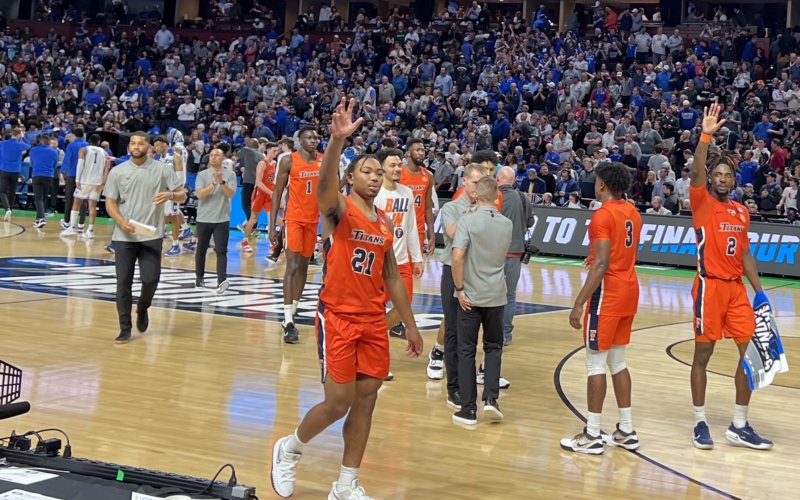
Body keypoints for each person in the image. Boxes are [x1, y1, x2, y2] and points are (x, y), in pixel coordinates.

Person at [270, 98, 422, 499]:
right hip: (337, 315)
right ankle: (290, 448)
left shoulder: (385, 221)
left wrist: (409, 323)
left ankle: (346, 483)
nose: (374, 178)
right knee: (337, 402)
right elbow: (322, 185)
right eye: (366, 171)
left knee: (367, 400)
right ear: (351, 177)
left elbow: (391, 274)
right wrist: (336, 141)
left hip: (373, 319)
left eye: (378, 172)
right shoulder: (336, 210)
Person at [688, 103, 772, 450]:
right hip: (709, 288)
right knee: (703, 356)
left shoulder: (740, 211)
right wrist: (705, 135)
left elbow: (746, 254)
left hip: (736, 291)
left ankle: (739, 424)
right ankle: (699, 422)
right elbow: (696, 171)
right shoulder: (702, 202)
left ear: (734, 180)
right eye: (717, 175)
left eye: (727, 175)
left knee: (750, 354)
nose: (722, 179)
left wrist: (760, 291)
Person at [562, 162, 642, 454]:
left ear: (602, 185)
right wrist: (595, 256)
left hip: (607, 294)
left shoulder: (601, 215)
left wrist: (579, 302)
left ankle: (592, 434)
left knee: (595, 364)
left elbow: (602, 264)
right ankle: (626, 430)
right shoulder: (632, 211)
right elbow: (621, 249)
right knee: (618, 362)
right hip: (630, 289)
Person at [103, 131, 186, 344]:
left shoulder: (162, 170)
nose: (136, 146)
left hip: (151, 234)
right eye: (133, 143)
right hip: (124, 235)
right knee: (123, 283)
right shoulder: (118, 172)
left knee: (150, 279)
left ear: (148, 147)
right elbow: (110, 203)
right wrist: (121, 222)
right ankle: (124, 327)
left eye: (140, 143)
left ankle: (142, 307)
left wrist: (169, 194)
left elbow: (182, 194)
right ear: (129, 146)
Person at [451, 176, 512, 425]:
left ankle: (468, 409)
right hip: (496, 294)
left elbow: (457, 258)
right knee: (493, 347)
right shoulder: (506, 224)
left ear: (477, 196)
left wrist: (459, 289)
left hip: (471, 296)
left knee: (466, 350)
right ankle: (491, 399)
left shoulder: (467, 221)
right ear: (497, 197)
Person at [374, 147, 424, 379]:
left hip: (402, 261)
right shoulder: (376, 194)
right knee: (373, 309)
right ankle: (376, 358)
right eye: (392, 165)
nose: (397, 169)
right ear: (381, 168)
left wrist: (418, 257)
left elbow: (411, 226)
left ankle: (374, 335)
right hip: (378, 262)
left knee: (406, 303)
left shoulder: (406, 192)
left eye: (399, 165)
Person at [269, 126, 322, 344]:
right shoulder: (288, 160)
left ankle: (294, 309)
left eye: (316, 137)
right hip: (294, 219)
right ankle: (288, 319)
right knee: (291, 266)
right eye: (308, 137)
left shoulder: (323, 160)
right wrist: (272, 225)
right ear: (299, 141)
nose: (313, 140)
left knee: (303, 267)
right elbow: (277, 192)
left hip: (313, 220)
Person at [496, 166, 534, 345]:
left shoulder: (493, 197)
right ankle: (505, 334)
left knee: (488, 294)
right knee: (509, 295)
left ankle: (490, 331)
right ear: (513, 181)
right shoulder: (522, 197)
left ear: (498, 179)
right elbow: (530, 221)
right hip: (515, 252)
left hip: (493, 253)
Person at [194, 147, 236, 294]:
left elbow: (231, 194)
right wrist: (213, 184)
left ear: (223, 158)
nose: (213, 157)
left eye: (216, 155)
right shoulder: (202, 175)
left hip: (222, 219)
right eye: (211, 155)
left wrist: (222, 183)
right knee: (201, 249)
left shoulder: (230, 175)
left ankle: (221, 281)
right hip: (204, 218)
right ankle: (199, 278)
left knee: (221, 250)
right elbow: (199, 195)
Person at [60, 133, 109, 239]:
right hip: (97, 182)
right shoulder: (104, 152)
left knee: (76, 203)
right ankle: (90, 230)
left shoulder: (84, 149)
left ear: (89, 140)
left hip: (85, 181)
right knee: (92, 206)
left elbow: (80, 165)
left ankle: (72, 227)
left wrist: (77, 179)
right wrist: (103, 183)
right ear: (99, 142)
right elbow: (106, 170)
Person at [153, 135, 192, 256]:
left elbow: (180, 175)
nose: (156, 148)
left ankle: (175, 245)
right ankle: (184, 230)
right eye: (155, 146)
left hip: (173, 191)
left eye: (158, 145)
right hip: (162, 191)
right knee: (164, 216)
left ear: (165, 144)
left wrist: (174, 190)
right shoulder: (159, 158)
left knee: (174, 217)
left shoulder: (176, 156)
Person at [242, 142, 279, 253]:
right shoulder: (262, 163)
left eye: (277, 151)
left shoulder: (275, 163)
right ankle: (245, 241)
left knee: (272, 220)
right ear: (268, 150)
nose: (276, 153)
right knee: (253, 219)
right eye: (274, 150)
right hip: (260, 193)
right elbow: (258, 182)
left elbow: (272, 180)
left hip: (269, 193)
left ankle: (272, 244)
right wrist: (270, 192)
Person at [59, 128, 88, 230]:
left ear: (74, 135)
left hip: (72, 174)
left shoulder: (71, 145)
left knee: (69, 199)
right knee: (83, 200)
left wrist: (62, 172)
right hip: (85, 175)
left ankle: (67, 221)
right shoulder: (88, 145)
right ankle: (81, 224)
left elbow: (67, 159)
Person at [28, 134, 59, 229]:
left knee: (38, 199)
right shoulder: (54, 152)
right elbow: (55, 165)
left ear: (40, 141)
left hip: (37, 175)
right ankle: (38, 219)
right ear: (49, 142)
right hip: (49, 176)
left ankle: (41, 218)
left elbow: (32, 163)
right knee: (43, 198)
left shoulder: (33, 150)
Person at [0, 127, 30, 222]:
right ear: (19, 135)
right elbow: (29, 146)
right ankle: (10, 210)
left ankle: (7, 209)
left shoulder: (3, 143)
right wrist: (23, 137)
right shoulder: (20, 144)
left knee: (2, 191)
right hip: (16, 170)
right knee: (13, 191)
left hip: (4, 169)